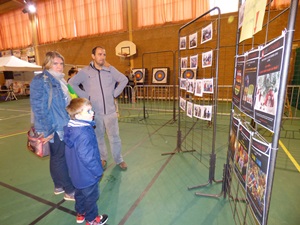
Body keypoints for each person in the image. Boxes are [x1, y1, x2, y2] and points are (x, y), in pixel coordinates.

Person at [69, 46, 128, 170]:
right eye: (100, 54)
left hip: (111, 112)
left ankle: (119, 159)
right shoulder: (85, 72)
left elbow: (124, 79)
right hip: (95, 113)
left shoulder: (110, 70)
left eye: (104, 54)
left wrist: (115, 93)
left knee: (115, 137)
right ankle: (103, 158)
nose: (102, 57)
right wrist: (86, 96)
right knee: (99, 137)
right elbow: (71, 83)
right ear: (93, 56)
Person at [30, 51, 75, 200]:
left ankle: (58, 185)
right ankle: (69, 190)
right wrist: (45, 131)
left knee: (56, 157)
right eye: (56, 63)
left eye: (61, 63)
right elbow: (38, 108)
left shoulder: (61, 80)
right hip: (54, 126)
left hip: (61, 123)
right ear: (48, 63)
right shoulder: (41, 80)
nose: (60, 66)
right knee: (60, 158)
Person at [64, 98, 108, 225]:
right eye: (88, 111)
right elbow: (87, 156)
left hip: (76, 173)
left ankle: (80, 213)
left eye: (91, 109)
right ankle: (92, 219)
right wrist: (97, 171)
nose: (92, 113)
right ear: (77, 115)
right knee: (91, 197)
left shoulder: (72, 129)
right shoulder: (83, 133)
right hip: (87, 174)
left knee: (80, 194)